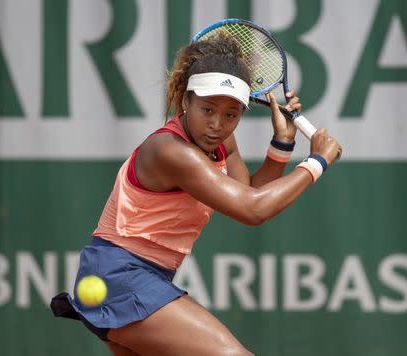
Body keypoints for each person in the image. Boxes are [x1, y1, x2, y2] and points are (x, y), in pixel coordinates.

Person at [50, 34, 342, 355]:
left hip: (138, 277)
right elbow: (253, 209)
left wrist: (282, 145)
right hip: (121, 276)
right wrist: (317, 162)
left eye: (231, 114)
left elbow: (246, 193)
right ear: (185, 100)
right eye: (207, 108)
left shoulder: (218, 143)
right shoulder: (169, 151)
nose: (216, 124)